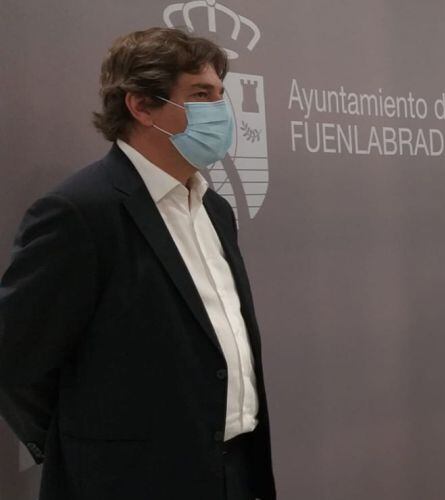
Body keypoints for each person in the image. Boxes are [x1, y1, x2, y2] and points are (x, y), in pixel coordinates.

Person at [0, 28, 274, 500]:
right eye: (201, 95)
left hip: (235, 470)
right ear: (141, 106)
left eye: (220, 95)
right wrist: (94, 446)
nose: (220, 111)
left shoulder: (215, 210)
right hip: (129, 480)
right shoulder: (81, 212)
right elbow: (13, 357)